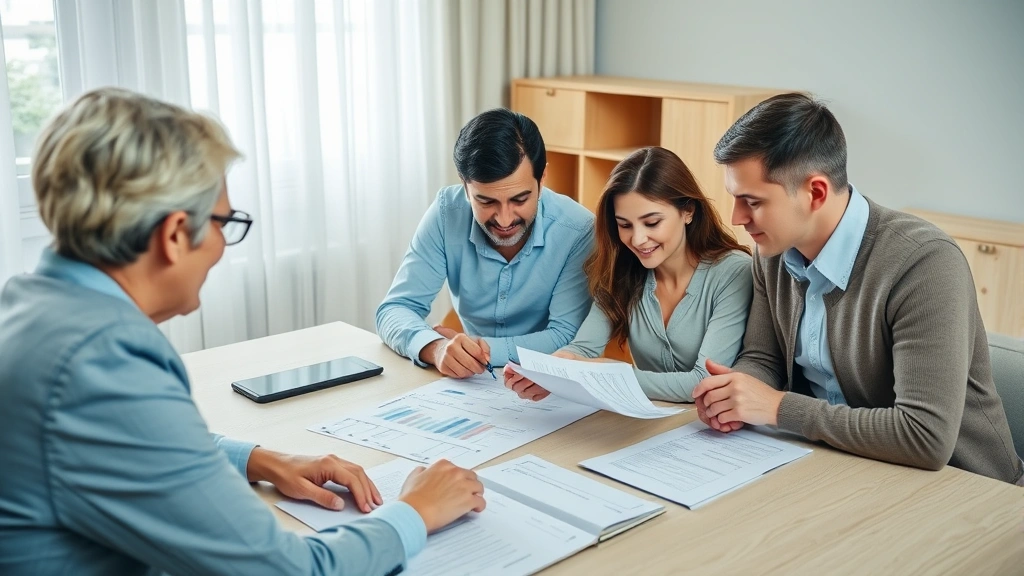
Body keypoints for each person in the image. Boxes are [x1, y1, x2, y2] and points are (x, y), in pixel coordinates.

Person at [0, 88, 486, 576]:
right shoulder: (98, 364)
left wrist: (262, 459)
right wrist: (416, 512)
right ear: (172, 235)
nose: (222, 245)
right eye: (223, 222)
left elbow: (126, 444)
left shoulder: (31, 306)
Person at [692, 93, 1023, 485]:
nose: (737, 218)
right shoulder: (772, 252)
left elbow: (925, 437)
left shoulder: (924, 262)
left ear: (815, 192)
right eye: (735, 198)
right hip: (844, 468)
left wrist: (777, 407)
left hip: (966, 490)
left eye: (752, 201)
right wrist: (735, 397)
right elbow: (764, 359)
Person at [504, 146, 752, 403]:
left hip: (720, 428)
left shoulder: (733, 272)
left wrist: (604, 373)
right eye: (624, 225)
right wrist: (550, 373)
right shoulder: (621, 269)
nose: (638, 239)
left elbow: (703, 381)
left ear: (688, 211)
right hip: (652, 424)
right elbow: (583, 349)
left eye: (652, 222)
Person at [376, 108, 595, 379]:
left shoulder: (578, 229)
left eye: (519, 199)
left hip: (544, 381)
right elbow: (395, 309)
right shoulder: (447, 212)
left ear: (542, 178)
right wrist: (436, 348)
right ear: (465, 186)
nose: (504, 219)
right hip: (471, 386)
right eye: (486, 201)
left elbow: (565, 335)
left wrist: (475, 349)